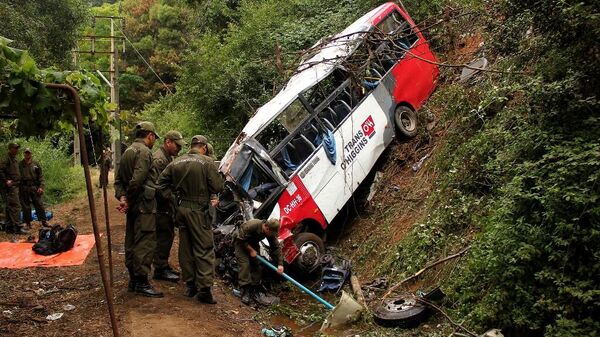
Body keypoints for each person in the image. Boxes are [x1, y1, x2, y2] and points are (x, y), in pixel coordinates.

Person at [157, 135, 223, 304]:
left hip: (181, 210)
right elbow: (217, 186)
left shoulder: (176, 162)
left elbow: (160, 185)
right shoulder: (207, 162)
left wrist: (173, 199)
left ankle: (190, 285)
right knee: (204, 248)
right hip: (199, 211)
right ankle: (205, 289)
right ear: (204, 147)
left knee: (186, 247)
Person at [114, 121, 162, 298]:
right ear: (149, 136)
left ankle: (133, 280)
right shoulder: (144, 152)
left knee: (132, 240)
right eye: (153, 138)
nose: (154, 141)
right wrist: (129, 200)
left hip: (134, 204)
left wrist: (123, 197)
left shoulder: (127, 151)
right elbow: (137, 180)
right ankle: (141, 281)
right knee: (144, 241)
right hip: (143, 204)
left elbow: (118, 181)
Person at [151, 130, 186, 283]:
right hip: (161, 205)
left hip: (164, 203)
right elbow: (159, 186)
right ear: (168, 142)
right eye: (176, 145)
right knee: (164, 235)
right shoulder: (160, 159)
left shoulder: (166, 157)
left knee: (167, 234)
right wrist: (172, 200)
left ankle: (162, 265)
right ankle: (160, 268)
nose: (179, 149)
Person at [234, 218, 284, 305]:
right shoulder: (252, 225)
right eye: (271, 233)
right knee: (245, 265)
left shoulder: (269, 231)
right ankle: (244, 290)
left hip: (253, 244)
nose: (272, 235)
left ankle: (254, 289)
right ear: (267, 228)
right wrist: (251, 250)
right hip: (241, 243)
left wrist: (280, 264)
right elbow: (241, 239)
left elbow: (276, 247)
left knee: (257, 266)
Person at [0, 143, 27, 234]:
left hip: (15, 185)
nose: (16, 150)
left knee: (9, 207)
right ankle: (18, 227)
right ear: (10, 149)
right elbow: (0, 170)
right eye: (15, 148)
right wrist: (6, 181)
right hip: (9, 187)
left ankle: (9, 226)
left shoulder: (14, 159)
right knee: (16, 206)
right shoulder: (6, 158)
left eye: (17, 148)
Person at [19, 148, 48, 229]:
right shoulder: (20, 164)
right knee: (26, 206)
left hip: (34, 187)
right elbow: (17, 177)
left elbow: (40, 176)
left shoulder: (36, 164)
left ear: (31, 154)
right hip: (24, 187)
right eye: (26, 153)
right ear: (23, 154)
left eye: (28, 153)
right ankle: (28, 223)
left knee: (39, 204)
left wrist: (41, 187)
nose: (27, 154)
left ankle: (44, 221)